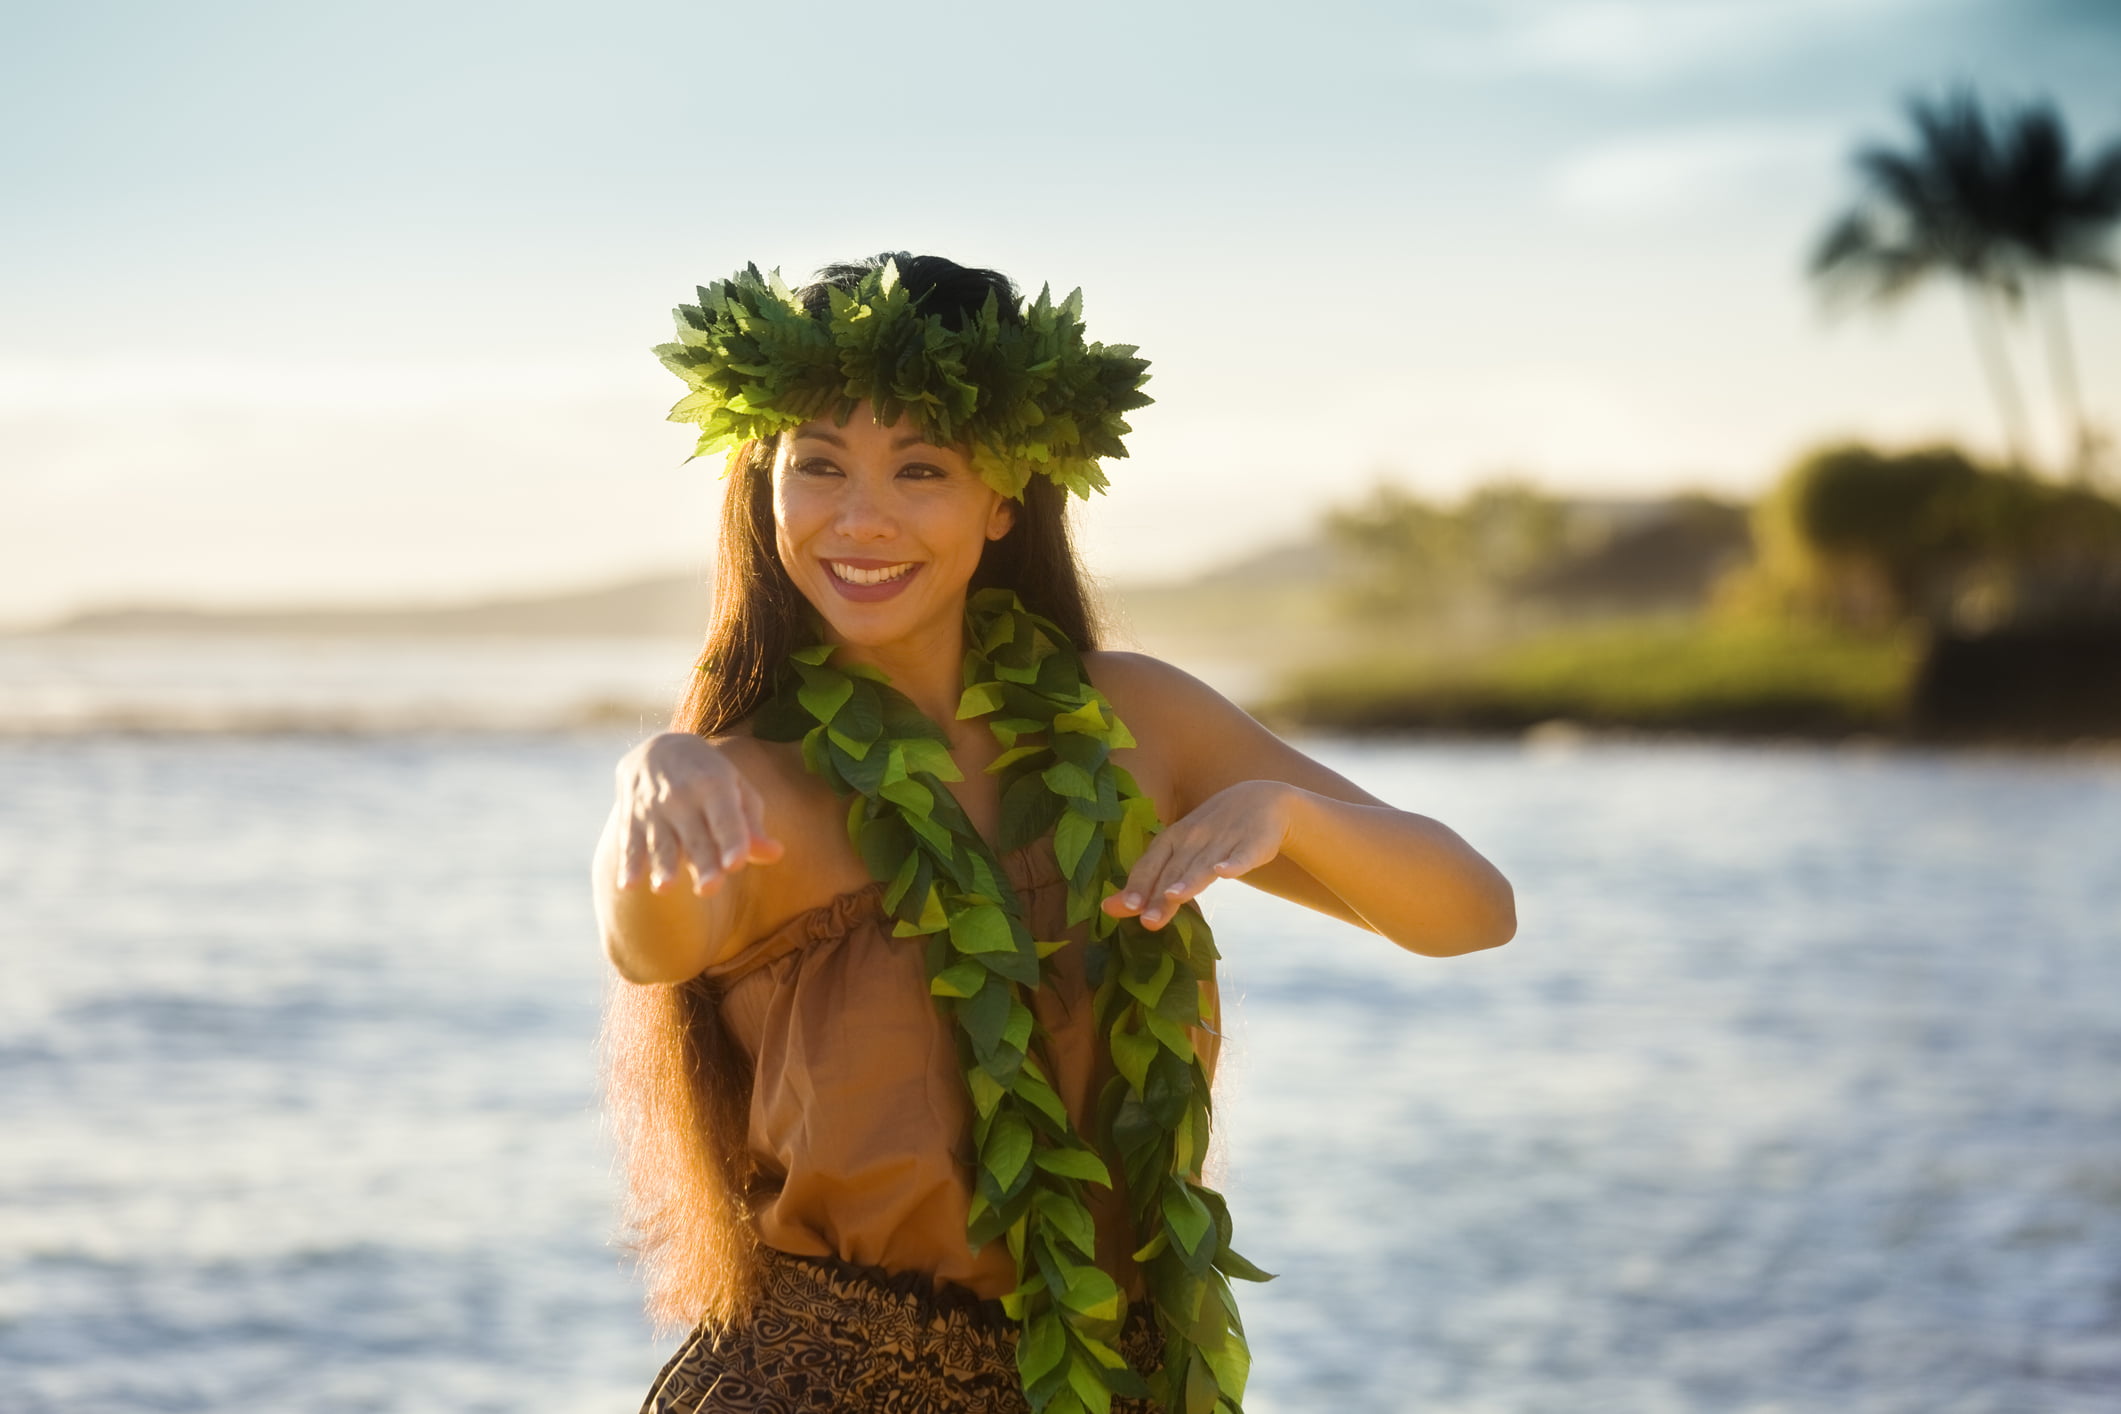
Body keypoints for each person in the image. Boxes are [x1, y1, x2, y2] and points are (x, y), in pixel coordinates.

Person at [596, 253, 1516, 1414]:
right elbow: (653, 945)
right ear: (766, 482)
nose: (860, 516)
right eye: (818, 464)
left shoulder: (1138, 720)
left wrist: (1290, 815)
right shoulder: (750, 786)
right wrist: (650, 782)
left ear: (1002, 498)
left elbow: (1477, 912)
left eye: (918, 467)